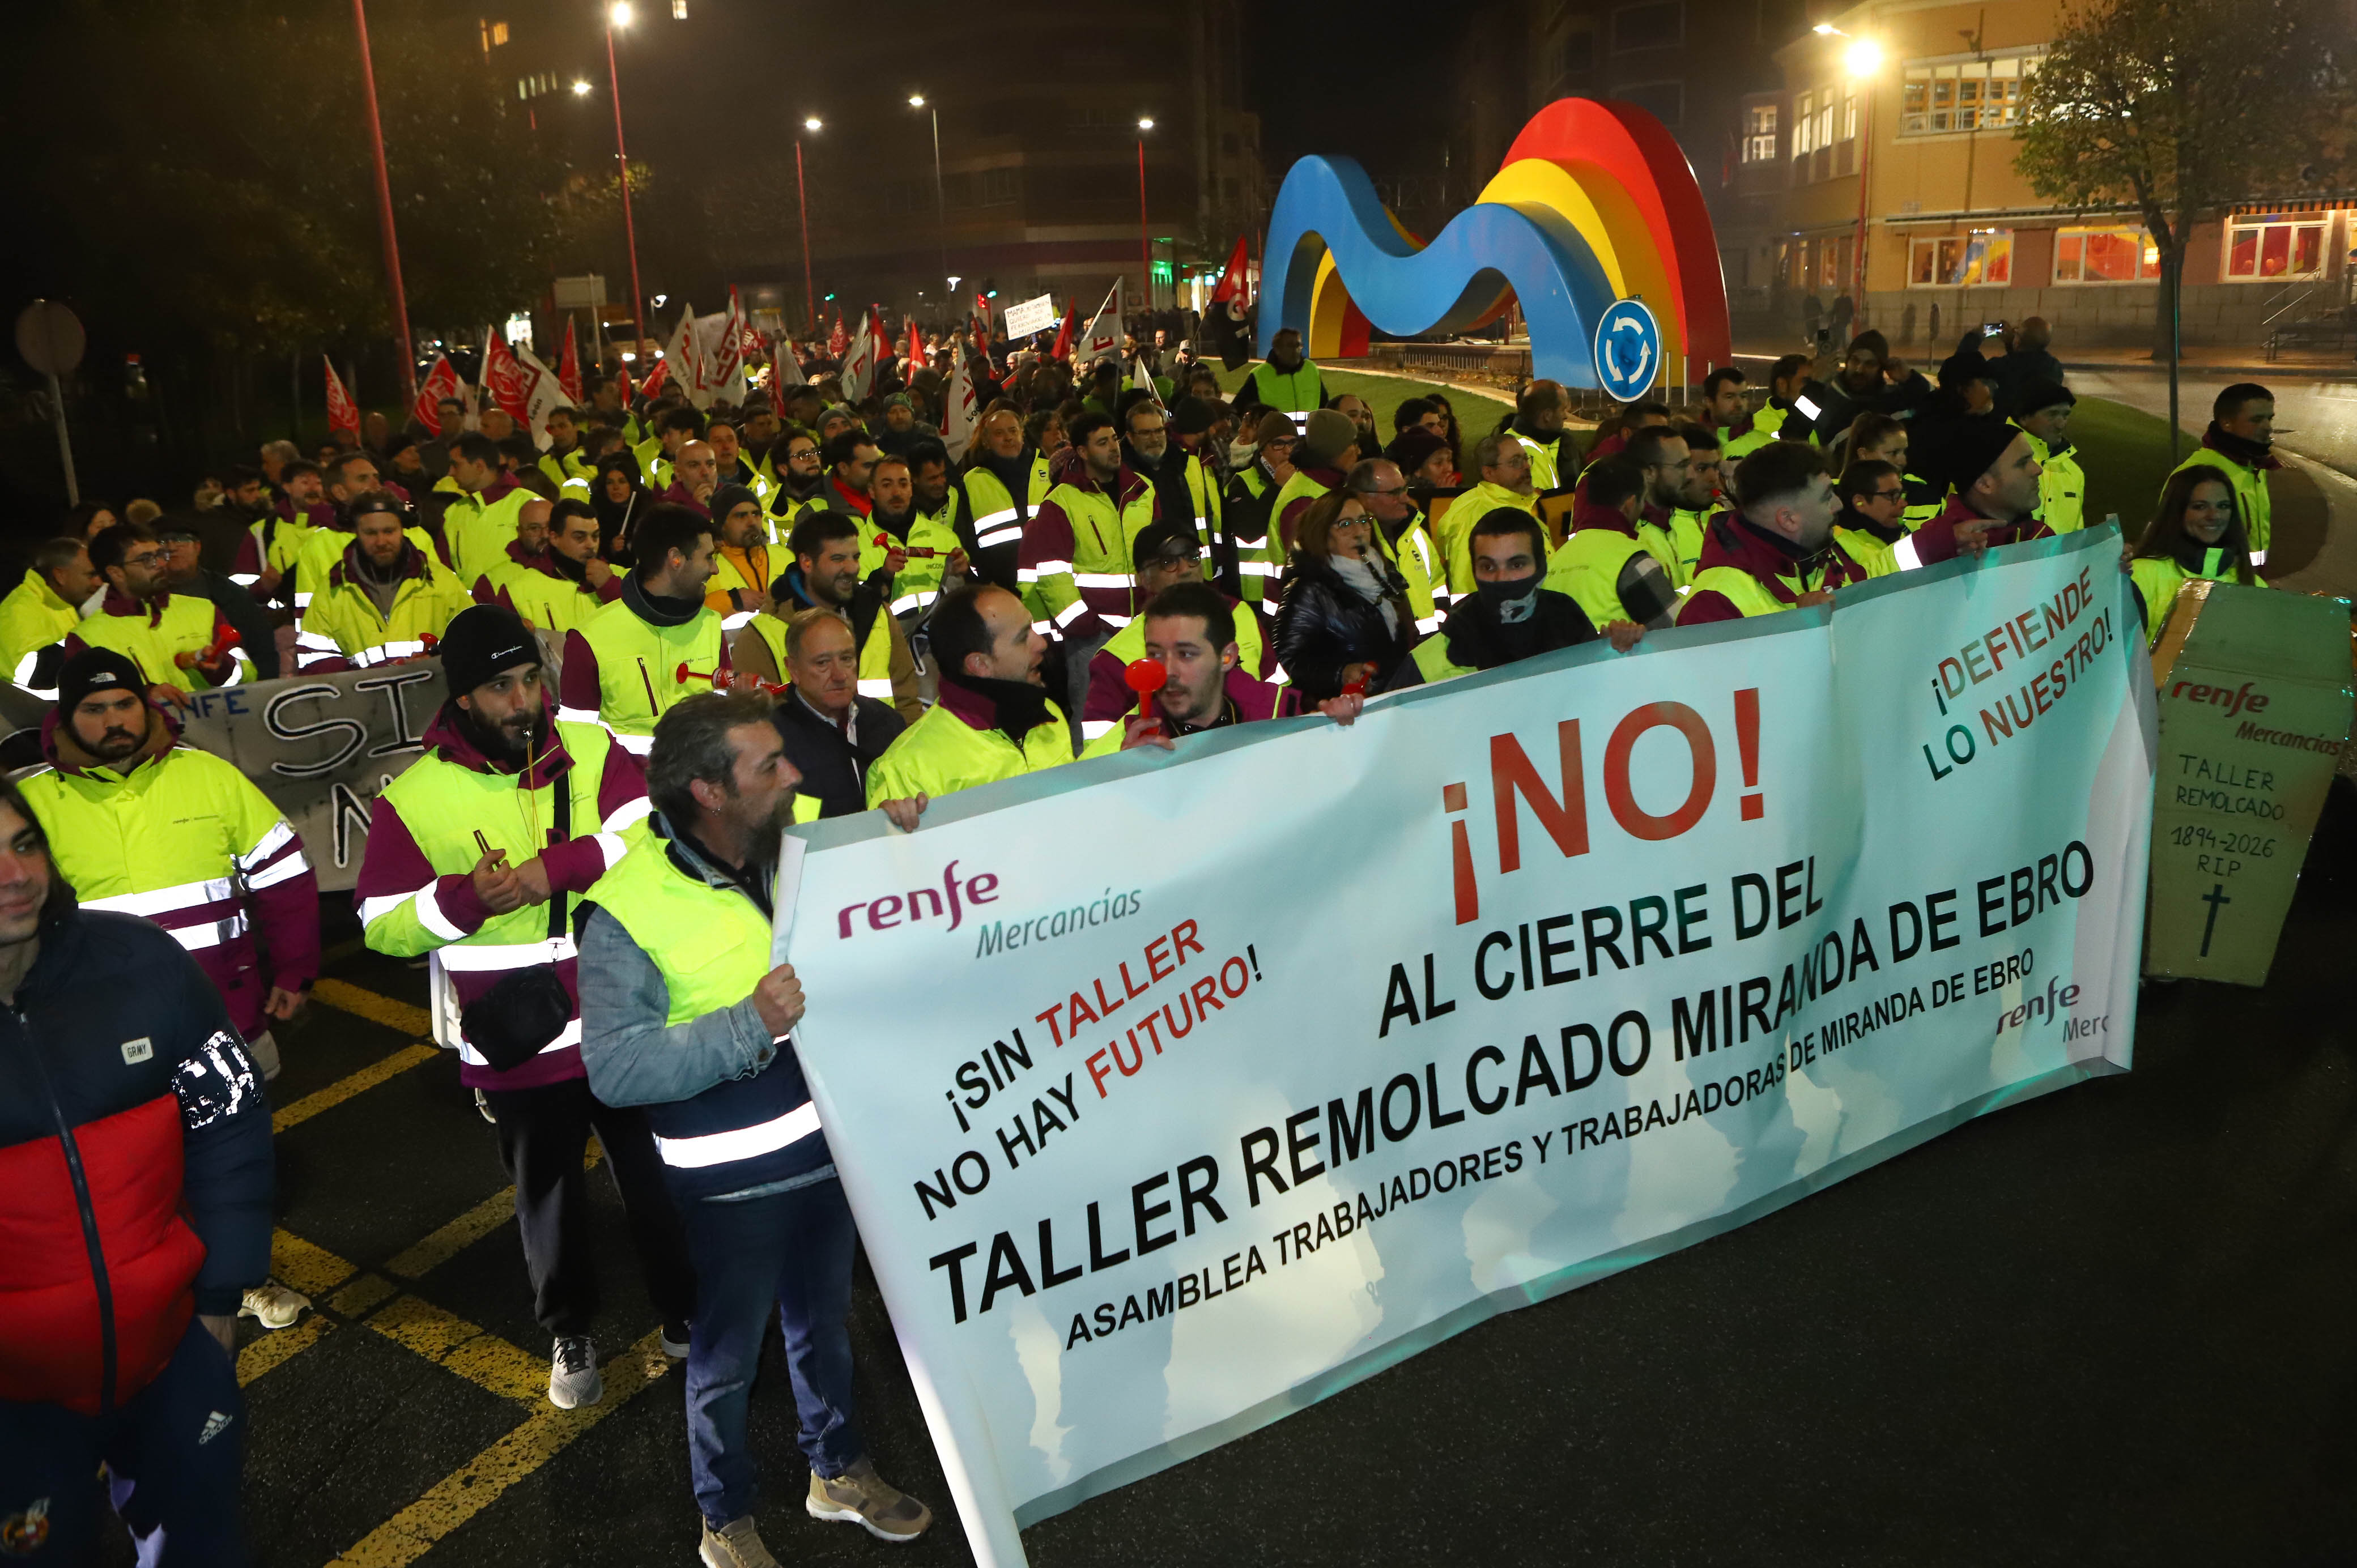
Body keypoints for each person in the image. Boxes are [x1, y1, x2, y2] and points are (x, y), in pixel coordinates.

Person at [578, 694, 934, 1565]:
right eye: (768, 766)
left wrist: (898, 833)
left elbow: (881, 870)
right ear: (708, 790)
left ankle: (837, 1472)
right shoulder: (626, 907)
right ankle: (724, 1520)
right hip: (731, 1182)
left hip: (827, 1151)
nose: (795, 777)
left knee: (824, 1326)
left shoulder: (803, 838)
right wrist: (749, 1025)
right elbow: (616, 1069)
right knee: (726, 1360)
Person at [360, 607, 695, 1411]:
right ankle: (570, 1332)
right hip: (524, 1042)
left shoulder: (585, 745)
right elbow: (379, 927)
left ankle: (685, 1310)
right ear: (465, 699)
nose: (522, 700)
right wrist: (460, 903)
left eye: (529, 680)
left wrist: (559, 869)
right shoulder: (413, 796)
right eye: (500, 686)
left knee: (656, 1179)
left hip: (622, 1020)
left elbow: (647, 827)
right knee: (548, 1198)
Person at [0, 776, 274, 1565]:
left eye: (25, 845)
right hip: (16, 1409)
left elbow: (230, 1120)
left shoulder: (140, 961)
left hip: (172, 1360)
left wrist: (221, 1299)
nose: (18, 874)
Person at [1082, 580, 1356, 756]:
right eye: (1155, 654)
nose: (1167, 671)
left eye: (1186, 654)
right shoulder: (1125, 743)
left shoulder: (1281, 716)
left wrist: (1345, 733)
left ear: (1227, 658)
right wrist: (1121, 778)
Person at [865, 585, 1072, 808]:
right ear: (980, 665)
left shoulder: (1049, 715)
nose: (1041, 643)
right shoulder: (907, 768)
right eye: (1023, 637)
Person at [1398, 506, 1641, 685]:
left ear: (1541, 568)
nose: (1501, 579)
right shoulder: (1431, 661)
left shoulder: (1573, 629)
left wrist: (1618, 652)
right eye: (1489, 567)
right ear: (1474, 571)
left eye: (1516, 565)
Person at [559, 504, 727, 755]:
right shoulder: (589, 639)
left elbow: (724, 724)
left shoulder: (712, 626)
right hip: (626, 791)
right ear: (676, 559)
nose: (715, 569)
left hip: (704, 785)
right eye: (709, 557)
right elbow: (576, 741)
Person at [1079, 522, 1265, 739]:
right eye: (1169, 562)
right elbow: (1099, 752)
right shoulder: (1113, 660)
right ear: (1143, 578)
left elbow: (1276, 694)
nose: (1186, 570)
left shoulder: (1241, 613)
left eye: (1192, 557)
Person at [738, 513, 922, 726]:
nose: (852, 568)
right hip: (807, 756)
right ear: (807, 562)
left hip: (886, 752)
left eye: (855, 557)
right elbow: (761, 725)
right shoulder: (762, 635)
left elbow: (907, 699)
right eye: (838, 559)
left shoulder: (876, 612)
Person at [1021, 410, 1158, 665]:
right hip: (1093, 640)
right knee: (1095, 706)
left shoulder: (1143, 490)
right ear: (1083, 452)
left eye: (1115, 439)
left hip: (1146, 629)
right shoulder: (1061, 502)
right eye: (1102, 443)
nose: (1114, 448)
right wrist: (1083, 626)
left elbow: (1161, 555)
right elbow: (1052, 575)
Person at [1678, 441, 1869, 624]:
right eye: (1827, 497)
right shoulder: (1713, 604)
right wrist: (1803, 629)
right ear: (1788, 519)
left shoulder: (1819, 555)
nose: (1838, 505)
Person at [295, 492, 471, 671]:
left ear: (402, 529)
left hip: (432, 693)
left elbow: (475, 640)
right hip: (365, 697)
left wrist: (436, 659)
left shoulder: (442, 580)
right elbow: (313, 659)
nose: (381, 541)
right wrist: (361, 678)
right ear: (355, 532)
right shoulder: (331, 590)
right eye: (371, 533)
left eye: (389, 531)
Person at [66, 522, 244, 699]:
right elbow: (87, 701)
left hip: (216, 724)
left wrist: (222, 667)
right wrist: (147, 695)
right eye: (146, 559)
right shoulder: (86, 637)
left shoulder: (205, 609)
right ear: (116, 573)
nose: (160, 564)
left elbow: (247, 674)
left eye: (161, 554)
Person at [1272, 491, 1414, 701]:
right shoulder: (1309, 588)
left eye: (1364, 521)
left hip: (1394, 701)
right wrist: (1340, 673)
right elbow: (1291, 658)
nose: (1359, 532)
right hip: (1342, 713)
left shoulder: (1385, 573)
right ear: (1320, 533)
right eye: (1345, 525)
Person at [769, 609, 907, 818]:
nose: (840, 675)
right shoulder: (772, 741)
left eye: (847, 658)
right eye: (822, 663)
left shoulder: (888, 722)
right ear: (793, 670)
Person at [1545, 453, 1681, 634]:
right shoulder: (1632, 559)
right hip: (1619, 661)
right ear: (1631, 504)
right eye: (1642, 501)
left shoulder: (1557, 559)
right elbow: (1677, 630)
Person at [2128, 468, 2266, 645]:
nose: (2214, 516)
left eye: (2223, 506)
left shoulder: (2256, 586)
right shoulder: (2139, 576)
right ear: (2177, 512)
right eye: (2200, 507)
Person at [1901, 421, 2052, 569]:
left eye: (2032, 459)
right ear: (1984, 484)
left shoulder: (2043, 537)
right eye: (2022, 463)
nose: (2038, 470)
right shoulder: (1944, 553)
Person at [2168, 382, 2278, 565]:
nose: (2268, 427)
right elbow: (2176, 543)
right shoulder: (2197, 475)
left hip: (2248, 582)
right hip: (2213, 586)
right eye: (2257, 420)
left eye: (2270, 418)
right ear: (2226, 423)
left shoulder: (2252, 466)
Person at [155, 519, 279, 680]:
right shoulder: (144, 598)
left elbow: (261, 648)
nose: (172, 548)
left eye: (181, 540)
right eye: (163, 542)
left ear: (197, 547)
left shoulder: (230, 594)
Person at [484, 497, 622, 637]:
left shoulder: (623, 577)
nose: (591, 545)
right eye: (579, 537)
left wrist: (611, 588)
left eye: (595, 536)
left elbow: (643, 626)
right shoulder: (517, 591)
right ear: (555, 538)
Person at [960, 407, 1051, 596]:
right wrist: (984, 582)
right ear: (985, 441)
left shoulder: (1049, 470)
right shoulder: (971, 481)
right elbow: (965, 540)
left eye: (1013, 431)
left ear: (1022, 435)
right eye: (999, 433)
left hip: (1049, 585)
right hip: (1000, 589)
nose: (1008, 438)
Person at [1441, 432, 1541, 595]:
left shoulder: (1524, 503)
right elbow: (1467, 588)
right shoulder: (1474, 515)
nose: (1527, 466)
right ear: (1489, 473)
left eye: (1526, 459)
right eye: (1516, 462)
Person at [1269, 408, 1362, 581]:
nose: (1359, 452)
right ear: (1335, 449)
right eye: (1353, 444)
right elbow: (1315, 573)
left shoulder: (1328, 485)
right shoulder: (1304, 501)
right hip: (1303, 606)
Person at [0, 536, 96, 694]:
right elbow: (32, 676)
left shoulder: (61, 604)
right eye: (90, 575)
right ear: (60, 576)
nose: (98, 582)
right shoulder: (20, 610)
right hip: (27, 715)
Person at [1799, 331, 1929, 446]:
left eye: (1870, 364)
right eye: (1855, 360)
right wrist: (1816, 386)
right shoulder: (1825, 397)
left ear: (1882, 368)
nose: (1859, 369)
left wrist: (1911, 380)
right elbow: (1796, 430)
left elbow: (1935, 407)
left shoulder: (1895, 402)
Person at [443, 432, 538, 588]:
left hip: (519, 610)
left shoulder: (530, 506)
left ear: (479, 466)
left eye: (456, 465)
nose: (451, 472)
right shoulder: (452, 514)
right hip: (470, 610)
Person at [1125, 398, 1219, 553]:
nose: (1155, 439)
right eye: (1146, 433)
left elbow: (1208, 518)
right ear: (1130, 437)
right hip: (1151, 567)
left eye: (1159, 431)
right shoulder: (1123, 475)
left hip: (1191, 563)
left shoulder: (1189, 464)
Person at [1222, 411, 1296, 606]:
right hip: (1254, 593)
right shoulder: (1242, 482)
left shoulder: (1301, 481)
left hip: (1292, 590)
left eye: (1293, 443)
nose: (1288, 451)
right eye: (1279, 444)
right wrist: (1277, 489)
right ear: (1263, 449)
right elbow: (1248, 532)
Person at [893, 443, 971, 617]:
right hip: (915, 603)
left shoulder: (955, 497)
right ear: (914, 478)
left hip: (952, 596)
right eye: (932, 478)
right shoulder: (901, 510)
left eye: (942, 475)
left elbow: (968, 544)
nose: (941, 483)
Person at [2011, 380, 2085, 534]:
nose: (2061, 424)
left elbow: (2076, 537)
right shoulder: (1994, 460)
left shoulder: (2073, 472)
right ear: (2024, 417)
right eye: (2052, 414)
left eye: (2065, 415)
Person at [703, 484, 775, 625]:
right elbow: (690, 618)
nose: (751, 522)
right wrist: (732, 600)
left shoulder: (785, 557)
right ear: (722, 524)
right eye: (741, 516)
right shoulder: (706, 564)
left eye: (756, 514)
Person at [1829, 459, 1911, 578]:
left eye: (1901, 494)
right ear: (1860, 502)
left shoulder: (1903, 535)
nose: (1904, 504)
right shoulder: (1838, 547)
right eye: (1892, 495)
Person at [1238, 327, 1328, 428]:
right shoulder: (1260, 374)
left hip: (1309, 440)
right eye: (1290, 346)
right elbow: (1239, 408)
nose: (1295, 350)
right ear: (1277, 349)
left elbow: (1325, 405)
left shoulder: (1311, 369)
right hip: (1275, 441)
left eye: (1298, 345)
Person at [1504, 380, 1576, 492]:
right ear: (1547, 416)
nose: (1565, 416)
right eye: (1562, 410)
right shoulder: (1514, 451)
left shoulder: (1564, 444)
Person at [593, 453, 651, 564]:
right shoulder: (597, 512)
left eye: (622, 482)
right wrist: (611, 549)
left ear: (631, 484)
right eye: (610, 483)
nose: (616, 488)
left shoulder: (647, 508)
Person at [766, 428, 828, 522]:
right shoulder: (768, 510)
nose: (814, 459)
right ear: (784, 469)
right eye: (803, 455)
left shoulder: (839, 497)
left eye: (815, 453)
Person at [538, 406, 596, 493]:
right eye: (552, 428)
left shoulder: (594, 452)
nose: (557, 432)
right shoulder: (545, 462)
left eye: (562, 426)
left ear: (576, 426)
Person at [663, 440, 722, 518]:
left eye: (710, 464)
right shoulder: (666, 513)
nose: (705, 473)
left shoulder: (731, 498)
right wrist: (698, 508)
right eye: (694, 466)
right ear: (678, 473)